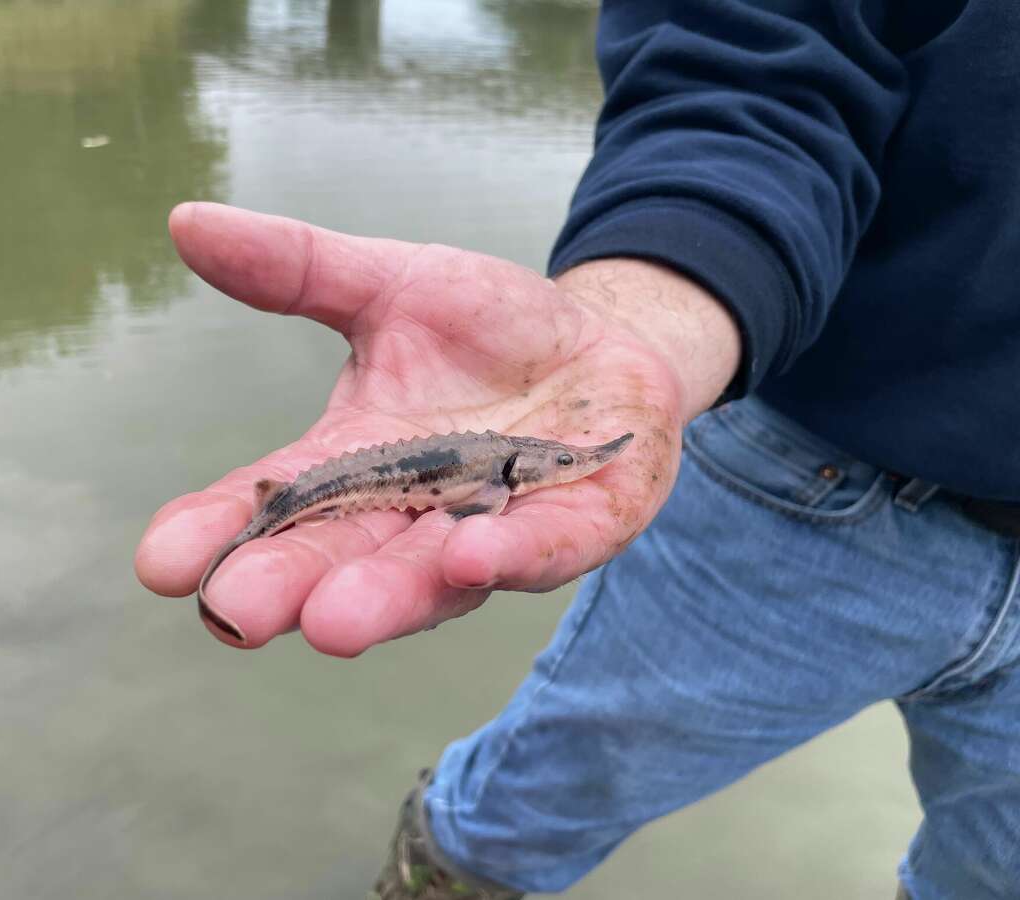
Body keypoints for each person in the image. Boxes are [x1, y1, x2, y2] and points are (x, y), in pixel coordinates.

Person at [134, 1, 1020, 897]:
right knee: (531, 805)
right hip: (817, 478)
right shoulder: (495, 476)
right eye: (559, 463)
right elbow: (753, 65)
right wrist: (647, 320)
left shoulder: (506, 472)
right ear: (521, 472)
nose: (572, 464)